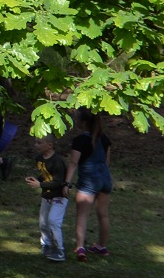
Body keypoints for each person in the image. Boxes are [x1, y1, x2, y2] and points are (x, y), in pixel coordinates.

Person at [67, 110, 112, 258]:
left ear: (83, 122)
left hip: (88, 181)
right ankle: (102, 247)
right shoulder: (105, 139)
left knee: (82, 215)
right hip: (105, 180)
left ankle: (80, 247)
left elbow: (73, 163)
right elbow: (107, 162)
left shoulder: (80, 140)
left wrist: (67, 183)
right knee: (103, 215)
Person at [30, 138, 68, 262]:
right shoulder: (39, 159)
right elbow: (45, 175)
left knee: (53, 221)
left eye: (39, 143)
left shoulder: (57, 161)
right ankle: (46, 244)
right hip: (47, 196)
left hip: (59, 197)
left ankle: (60, 251)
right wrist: (36, 179)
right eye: (36, 142)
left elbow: (58, 182)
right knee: (43, 223)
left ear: (50, 145)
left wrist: (39, 185)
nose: (36, 145)